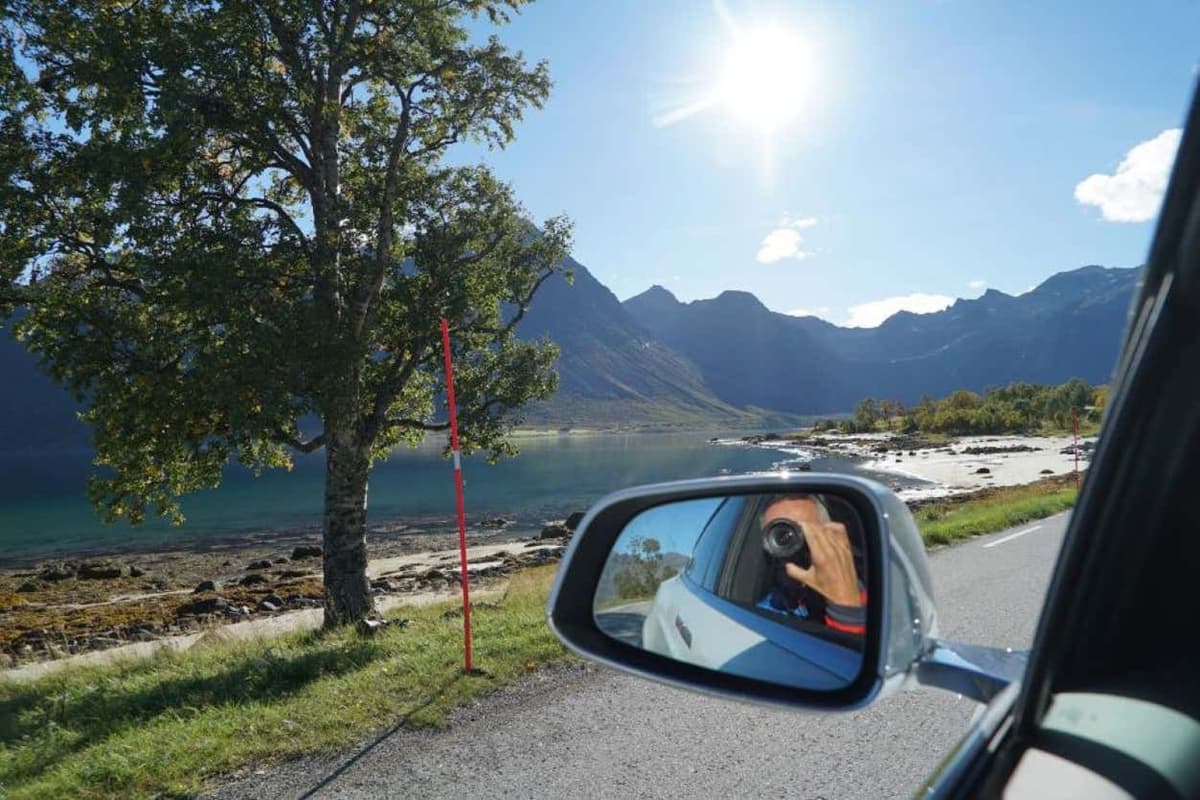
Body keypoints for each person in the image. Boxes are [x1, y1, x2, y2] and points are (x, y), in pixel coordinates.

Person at [755, 494, 867, 635]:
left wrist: (845, 600)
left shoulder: (876, 585)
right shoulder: (768, 615)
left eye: (807, 533)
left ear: (832, 538)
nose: (795, 543)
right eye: (781, 535)